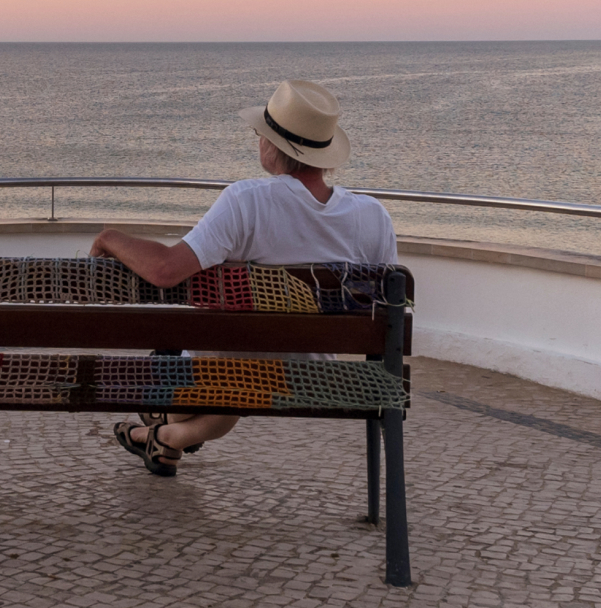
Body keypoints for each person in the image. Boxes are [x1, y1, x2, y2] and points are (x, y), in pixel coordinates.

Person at [87, 79, 398, 476]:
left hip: (230, 377)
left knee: (207, 363)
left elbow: (165, 269)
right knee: (248, 358)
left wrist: (111, 237)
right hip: (318, 373)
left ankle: (160, 430)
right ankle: (166, 441)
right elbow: (387, 310)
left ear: (273, 146)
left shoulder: (247, 202)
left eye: (260, 134)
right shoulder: (373, 217)